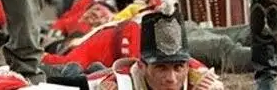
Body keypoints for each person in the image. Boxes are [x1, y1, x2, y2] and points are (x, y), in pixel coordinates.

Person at [85, 7, 224, 89]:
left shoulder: (201, 81)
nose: (171, 79)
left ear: (187, 68)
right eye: (161, 68)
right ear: (142, 67)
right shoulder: (121, 84)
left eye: (178, 68)